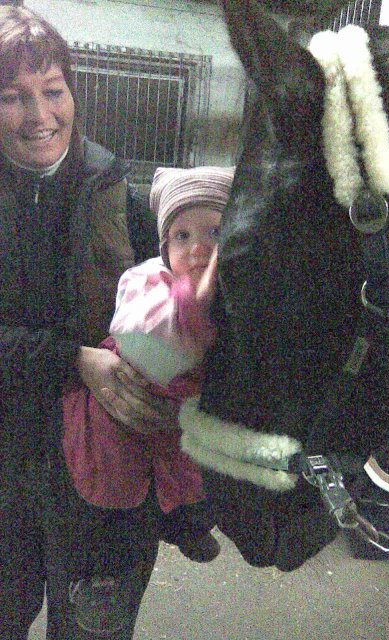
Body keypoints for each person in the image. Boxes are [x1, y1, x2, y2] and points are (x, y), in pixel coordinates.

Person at [0, 6, 169, 639]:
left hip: (103, 471)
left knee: (93, 630)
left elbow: (174, 303)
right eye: (12, 97)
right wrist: (75, 361)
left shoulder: (115, 190)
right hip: (6, 465)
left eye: (53, 91)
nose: (39, 114)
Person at [62, 165, 234, 634]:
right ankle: (102, 577)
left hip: (177, 409)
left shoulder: (236, 288)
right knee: (115, 491)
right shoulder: (148, 281)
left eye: (215, 233)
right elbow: (143, 337)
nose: (197, 248)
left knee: (187, 471)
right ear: (164, 247)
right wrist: (198, 296)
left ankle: (185, 525)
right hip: (116, 405)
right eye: (182, 236)